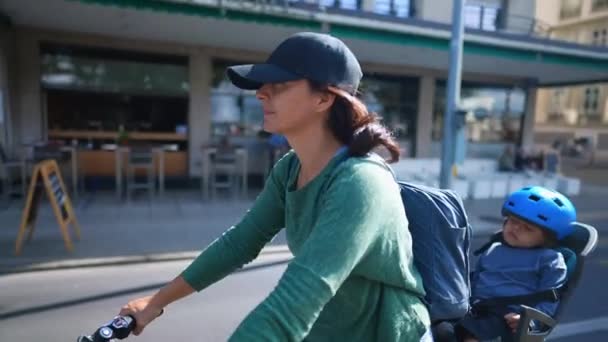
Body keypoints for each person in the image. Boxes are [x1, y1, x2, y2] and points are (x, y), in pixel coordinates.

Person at [118, 32, 431, 341]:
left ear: (323, 98)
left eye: (279, 85)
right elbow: (240, 243)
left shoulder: (361, 182)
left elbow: (299, 297)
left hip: (385, 332)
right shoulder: (290, 168)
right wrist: (157, 302)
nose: (261, 93)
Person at [455, 186, 576, 342]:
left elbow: (549, 299)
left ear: (547, 238)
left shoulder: (550, 259)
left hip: (509, 317)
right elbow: (476, 281)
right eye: (513, 221)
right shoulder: (493, 249)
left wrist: (531, 321)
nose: (516, 228)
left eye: (528, 228)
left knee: (473, 336)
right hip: (476, 310)